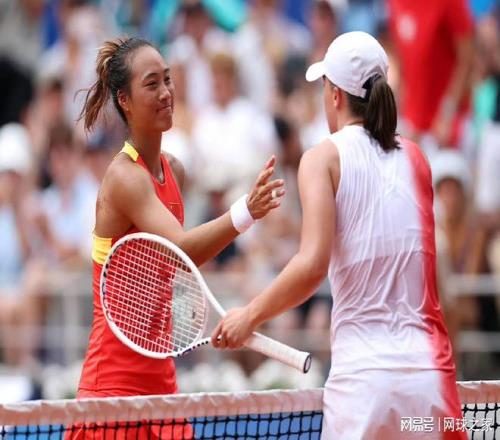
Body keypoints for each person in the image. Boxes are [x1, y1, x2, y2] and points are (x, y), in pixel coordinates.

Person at [212, 32, 465, 439]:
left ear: (334, 95)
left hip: (364, 386)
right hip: (429, 382)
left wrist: (249, 315)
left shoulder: (322, 159)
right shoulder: (417, 159)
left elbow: (312, 266)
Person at [74, 37, 284, 407]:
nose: (165, 92)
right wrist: (246, 211)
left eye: (168, 80)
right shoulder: (124, 178)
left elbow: (171, 268)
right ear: (124, 100)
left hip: (162, 379)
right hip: (111, 386)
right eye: (151, 84)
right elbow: (182, 250)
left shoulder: (175, 170)